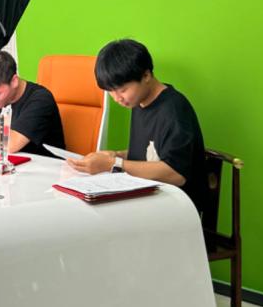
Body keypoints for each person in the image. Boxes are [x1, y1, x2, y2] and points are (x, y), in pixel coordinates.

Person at [67, 39, 208, 217]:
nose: (117, 98)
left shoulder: (174, 110)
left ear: (146, 75)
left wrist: (113, 164)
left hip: (178, 208)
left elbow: (176, 173)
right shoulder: (138, 101)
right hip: (149, 199)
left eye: (122, 90)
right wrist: (116, 155)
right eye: (111, 91)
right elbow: (150, 152)